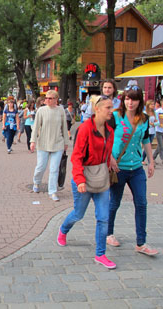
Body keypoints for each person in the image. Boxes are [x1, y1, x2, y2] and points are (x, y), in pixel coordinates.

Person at [57, 95, 116, 269]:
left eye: (112, 107)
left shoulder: (110, 130)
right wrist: (80, 180)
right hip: (83, 178)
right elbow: (76, 157)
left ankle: (100, 254)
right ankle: (63, 230)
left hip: (101, 179)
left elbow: (106, 152)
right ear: (97, 109)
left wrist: (110, 161)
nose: (111, 111)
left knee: (103, 218)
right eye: (108, 108)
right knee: (78, 214)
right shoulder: (85, 129)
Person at [106, 85, 158, 256]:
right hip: (118, 168)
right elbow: (105, 138)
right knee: (114, 202)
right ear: (123, 100)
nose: (130, 102)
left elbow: (146, 141)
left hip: (136, 168)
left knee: (142, 203)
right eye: (127, 98)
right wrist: (110, 158)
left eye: (134, 99)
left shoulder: (143, 118)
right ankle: (109, 233)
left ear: (139, 101)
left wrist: (150, 161)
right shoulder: (115, 116)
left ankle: (141, 243)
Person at [30, 90, 69, 202]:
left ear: (56, 100)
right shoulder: (41, 110)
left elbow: (64, 127)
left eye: (50, 98)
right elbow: (36, 126)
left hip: (58, 143)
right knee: (41, 167)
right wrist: (33, 141)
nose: (46, 100)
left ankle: (52, 191)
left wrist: (66, 142)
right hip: (43, 143)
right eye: (46, 98)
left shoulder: (61, 110)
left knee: (54, 169)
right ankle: (36, 182)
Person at [143, 100, 158, 164]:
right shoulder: (144, 113)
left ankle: (142, 159)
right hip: (147, 131)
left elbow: (158, 122)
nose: (153, 106)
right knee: (147, 145)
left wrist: (153, 124)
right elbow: (144, 122)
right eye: (152, 104)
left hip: (152, 132)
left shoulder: (155, 113)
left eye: (153, 104)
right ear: (148, 105)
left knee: (149, 146)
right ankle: (150, 161)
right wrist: (150, 124)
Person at [153, 99, 163, 164]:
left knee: (159, 146)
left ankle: (153, 157)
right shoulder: (158, 111)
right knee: (161, 146)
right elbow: (155, 120)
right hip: (158, 131)